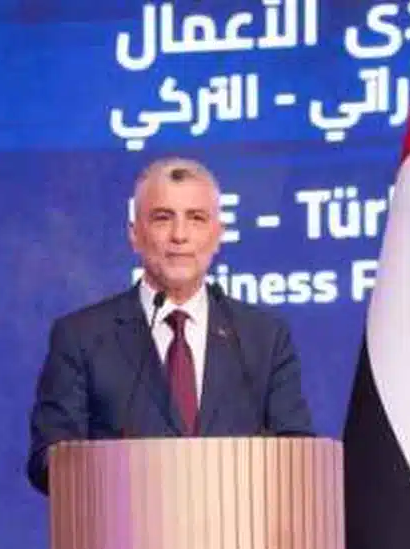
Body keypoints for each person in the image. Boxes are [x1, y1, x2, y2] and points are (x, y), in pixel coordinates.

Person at [26, 157, 314, 495]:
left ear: (218, 235)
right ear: (135, 234)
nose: (180, 235)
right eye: (163, 218)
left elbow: (297, 455)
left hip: (238, 526)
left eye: (196, 218)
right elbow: (49, 461)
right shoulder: (82, 337)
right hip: (124, 525)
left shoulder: (263, 337)